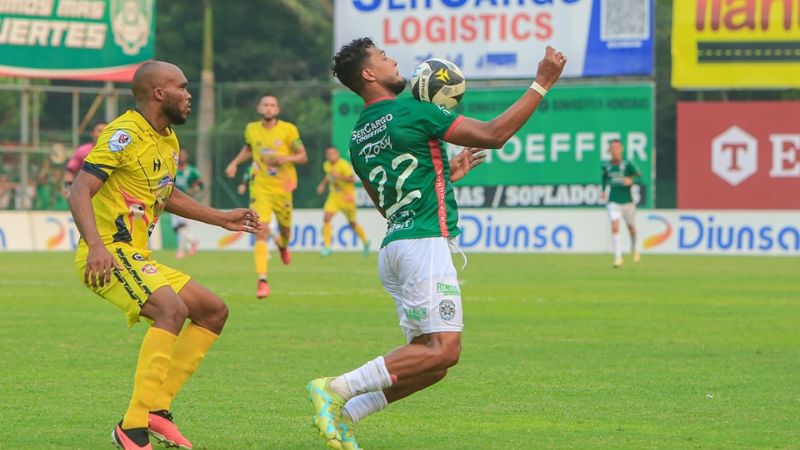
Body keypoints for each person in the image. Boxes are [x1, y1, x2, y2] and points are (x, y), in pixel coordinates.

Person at [307, 38, 566, 450]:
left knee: (430, 363)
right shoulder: (413, 107)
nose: (394, 61)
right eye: (384, 58)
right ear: (369, 74)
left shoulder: (357, 135)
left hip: (396, 247)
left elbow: (389, 204)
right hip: (423, 245)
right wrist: (541, 83)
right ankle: (335, 388)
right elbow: (494, 134)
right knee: (445, 351)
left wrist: (444, 176)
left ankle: (347, 414)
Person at [68, 60, 261, 450]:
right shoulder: (123, 133)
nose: (189, 96)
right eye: (182, 87)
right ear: (159, 93)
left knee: (212, 310)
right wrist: (96, 247)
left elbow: (165, 194)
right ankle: (133, 427)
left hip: (137, 254)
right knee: (170, 310)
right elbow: (79, 190)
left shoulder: (168, 139)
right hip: (109, 252)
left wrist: (220, 217)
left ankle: (157, 409)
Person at [224, 94, 308, 299]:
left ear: (277, 110)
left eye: (272, 105)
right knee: (260, 230)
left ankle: (283, 245)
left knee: (286, 231)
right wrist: (235, 163)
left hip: (283, 188)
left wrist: (286, 158)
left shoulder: (289, 129)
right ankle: (262, 281)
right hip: (260, 188)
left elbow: (303, 156)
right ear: (260, 108)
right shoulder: (251, 129)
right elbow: (249, 149)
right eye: (265, 105)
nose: (269, 108)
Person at [316, 146, 371, 257]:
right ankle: (327, 247)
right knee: (326, 218)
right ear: (326, 156)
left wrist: (339, 176)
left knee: (352, 223)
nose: (331, 156)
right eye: (329, 154)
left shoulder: (343, 165)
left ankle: (366, 241)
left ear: (337, 154)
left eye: (333, 154)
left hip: (347, 198)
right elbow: (328, 176)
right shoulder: (326, 165)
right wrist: (322, 185)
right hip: (334, 196)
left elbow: (352, 179)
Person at [600, 139, 642, 268]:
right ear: (609, 150)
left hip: (627, 202)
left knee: (631, 227)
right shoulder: (606, 165)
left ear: (621, 149)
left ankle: (634, 248)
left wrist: (632, 180)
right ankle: (618, 257)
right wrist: (602, 191)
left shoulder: (628, 164)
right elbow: (604, 179)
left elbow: (640, 175)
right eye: (613, 148)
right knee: (615, 225)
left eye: (617, 148)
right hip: (613, 201)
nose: (615, 151)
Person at [171, 148, 204, 259]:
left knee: (180, 226)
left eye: (183, 155)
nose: (182, 157)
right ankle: (193, 242)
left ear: (187, 157)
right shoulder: (173, 169)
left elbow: (201, 184)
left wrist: (195, 190)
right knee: (179, 227)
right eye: (180, 155)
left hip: (185, 201)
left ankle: (181, 251)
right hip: (172, 200)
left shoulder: (192, 170)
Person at [64, 122, 107, 193]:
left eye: (105, 131)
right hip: (85, 195)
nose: (101, 134)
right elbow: (70, 171)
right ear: (92, 133)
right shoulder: (82, 151)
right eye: (99, 131)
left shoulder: (115, 152)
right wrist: (68, 190)